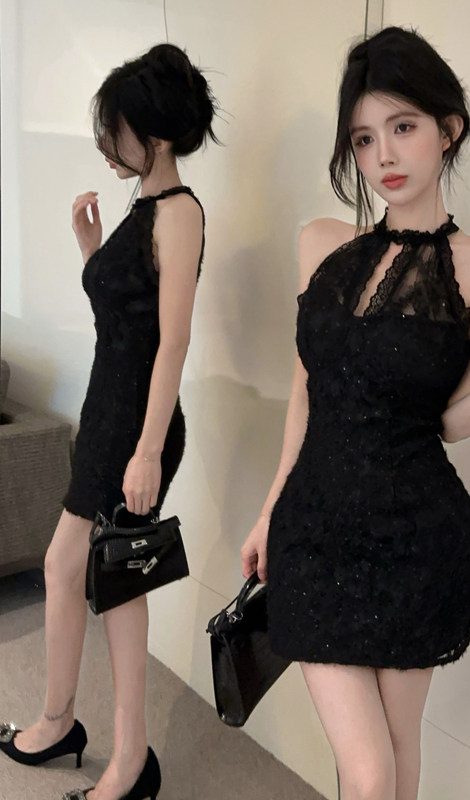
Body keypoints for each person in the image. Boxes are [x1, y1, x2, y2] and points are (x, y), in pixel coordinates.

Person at [240, 26, 470, 800]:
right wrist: (271, 510)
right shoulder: (320, 244)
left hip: (418, 540)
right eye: (365, 138)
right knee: (371, 771)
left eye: (403, 127)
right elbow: (306, 392)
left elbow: (451, 422)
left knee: (398, 756)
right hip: (313, 529)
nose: (384, 156)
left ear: (450, 128)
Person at [0, 43, 217, 800]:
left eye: (114, 129)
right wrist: (92, 252)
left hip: (135, 430)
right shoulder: (144, 211)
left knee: (118, 585)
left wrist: (149, 449)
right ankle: (60, 720)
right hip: (108, 417)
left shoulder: (180, 212)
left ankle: (130, 761)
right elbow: (125, 324)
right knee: (65, 569)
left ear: (152, 132)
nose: (105, 143)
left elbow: (173, 341)